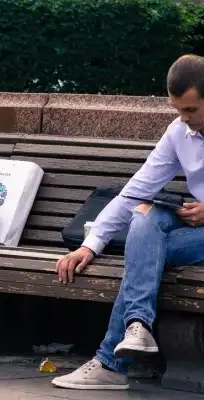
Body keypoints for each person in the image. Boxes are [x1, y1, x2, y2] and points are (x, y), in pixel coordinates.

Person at [52, 54, 204, 390]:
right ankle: (138, 327)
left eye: (191, 110)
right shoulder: (179, 132)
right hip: (194, 232)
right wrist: (90, 245)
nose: (183, 118)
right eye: (177, 109)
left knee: (144, 253)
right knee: (145, 213)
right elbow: (134, 192)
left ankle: (110, 363)